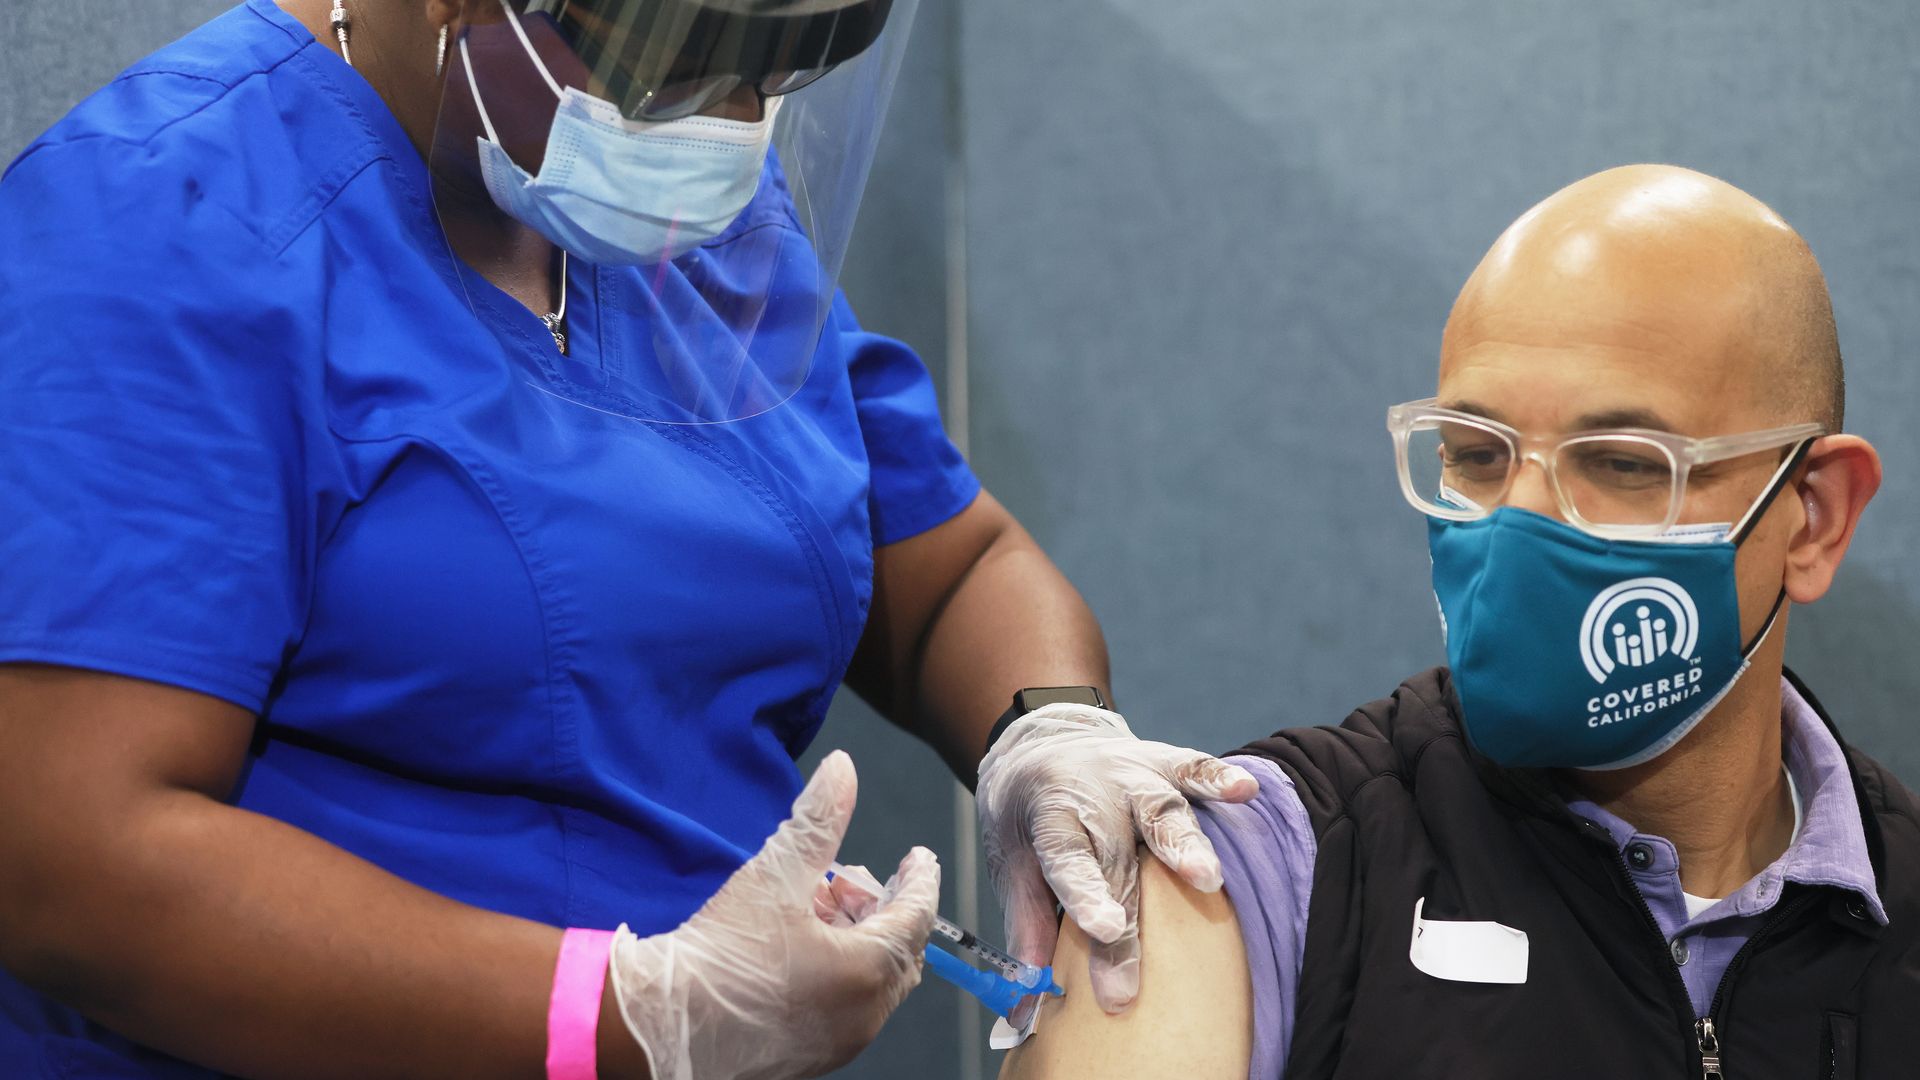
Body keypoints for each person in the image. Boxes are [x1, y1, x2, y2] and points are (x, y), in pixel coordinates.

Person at [0, 2, 1257, 1076]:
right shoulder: (169, 218)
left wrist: (1051, 732)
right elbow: (71, 861)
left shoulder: (679, 210)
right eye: (681, 60)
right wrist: (625, 1017)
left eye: (770, 76)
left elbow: (946, 568)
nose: (725, 122)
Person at [1003, 164, 1920, 1080]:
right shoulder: (1262, 868)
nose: (1520, 525)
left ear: (1815, 517)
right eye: (1477, 455)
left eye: (1624, 463)